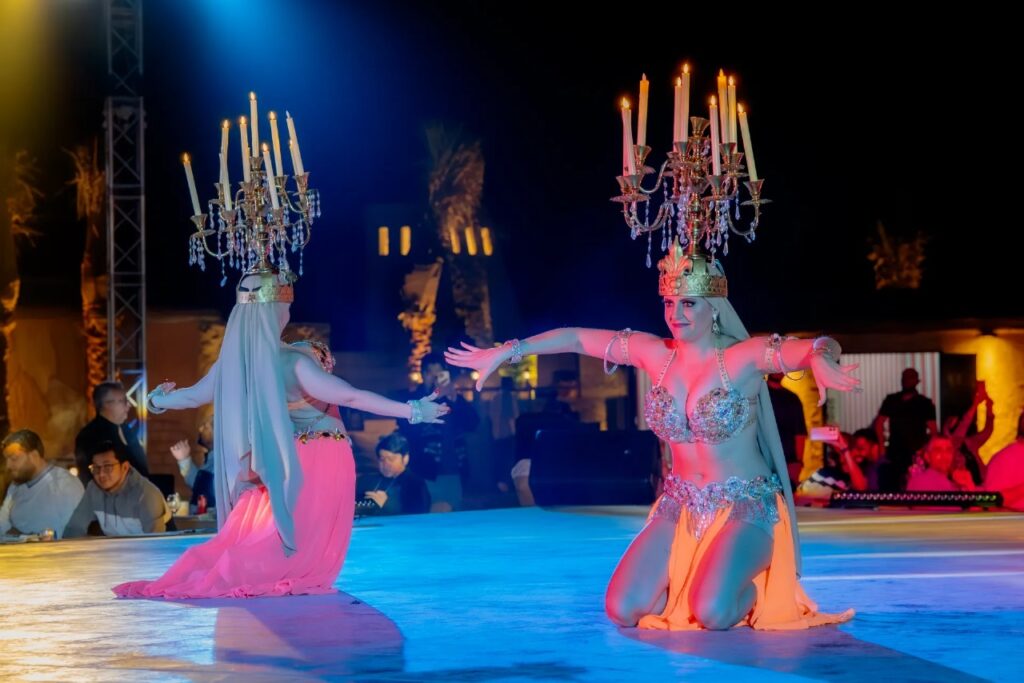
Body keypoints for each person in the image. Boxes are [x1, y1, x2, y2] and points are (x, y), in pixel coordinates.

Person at [447, 239, 858, 630]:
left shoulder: (741, 358)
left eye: (689, 304)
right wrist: (508, 351)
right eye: (669, 303)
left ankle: (756, 595)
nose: (676, 314)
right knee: (622, 609)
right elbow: (575, 337)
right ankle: (695, 589)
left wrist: (821, 358)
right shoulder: (655, 354)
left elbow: (818, 344)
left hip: (745, 509)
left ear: (714, 308)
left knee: (713, 613)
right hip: (678, 507)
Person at [113, 266, 448, 599]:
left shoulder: (234, 362)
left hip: (287, 459)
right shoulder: (292, 362)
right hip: (321, 458)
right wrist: (413, 410)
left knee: (273, 535)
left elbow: (191, 396)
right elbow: (349, 395)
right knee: (295, 544)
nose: (288, 310)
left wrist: (158, 399)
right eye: (285, 305)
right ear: (275, 311)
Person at [64, 441, 170, 537]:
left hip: (148, 553)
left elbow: (156, 544)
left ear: (125, 467)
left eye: (108, 467)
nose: (101, 474)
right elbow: (74, 528)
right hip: (115, 554)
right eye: (96, 468)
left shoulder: (145, 494)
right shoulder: (93, 489)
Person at [0, 429, 84, 538]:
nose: (8, 465)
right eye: (6, 459)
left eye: (14, 458)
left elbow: (67, 536)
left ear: (34, 456)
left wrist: (19, 535)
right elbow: (2, 526)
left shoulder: (65, 485)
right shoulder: (15, 487)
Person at [874, 368, 937, 490]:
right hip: (895, 451)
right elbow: (879, 423)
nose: (907, 381)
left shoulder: (924, 403)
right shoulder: (892, 399)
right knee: (893, 483)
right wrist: (882, 448)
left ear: (917, 381)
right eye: (905, 377)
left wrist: (925, 451)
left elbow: (933, 430)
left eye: (910, 377)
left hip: (916, 452)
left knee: (915, 483)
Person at [74, 381, 149, 483]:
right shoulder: (90, 435)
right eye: (123, 401)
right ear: (107, 404)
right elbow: (89, 476)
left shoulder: (127, 430)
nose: (129, 405)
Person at [356, 432, 431, 515]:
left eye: (391, 459)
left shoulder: (415, 484)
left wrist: (386, 506)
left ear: (405, 459)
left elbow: (418, 517)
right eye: (382, 459)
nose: (386, 464)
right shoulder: (367, 481)